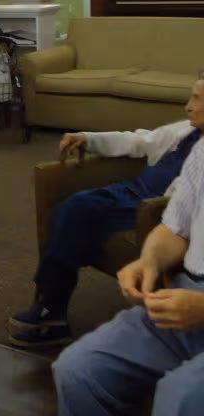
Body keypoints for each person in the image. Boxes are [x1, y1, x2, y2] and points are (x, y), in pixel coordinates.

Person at [9, 74, 204, 349]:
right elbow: (141, 141)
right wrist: (89, 138)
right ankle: (50, 303)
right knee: (68, 208)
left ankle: (50, 309)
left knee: (79, 208)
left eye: (196, 98)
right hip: (130, 191)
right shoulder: (185, 130)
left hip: (153, 208)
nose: (188, 106)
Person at [53, 137, 204, 416]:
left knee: (179, 397)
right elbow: (175, 228)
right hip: (186, 298)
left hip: (196, 306)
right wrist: (149, 261)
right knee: (78, 370)